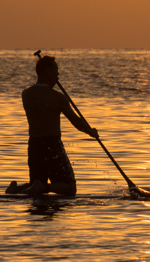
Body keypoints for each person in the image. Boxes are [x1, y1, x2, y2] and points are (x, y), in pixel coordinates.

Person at [6, 54, 98, 196]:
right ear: (48, 72)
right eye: (56, 70)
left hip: (34, 146)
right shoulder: (57, 97)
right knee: (69, 188)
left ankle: (16, 190)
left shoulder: (26, 95)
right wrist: (90, 131)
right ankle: (44, 188)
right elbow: (76, 122)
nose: (58, 74)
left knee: (35, 184)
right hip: (51, 145)